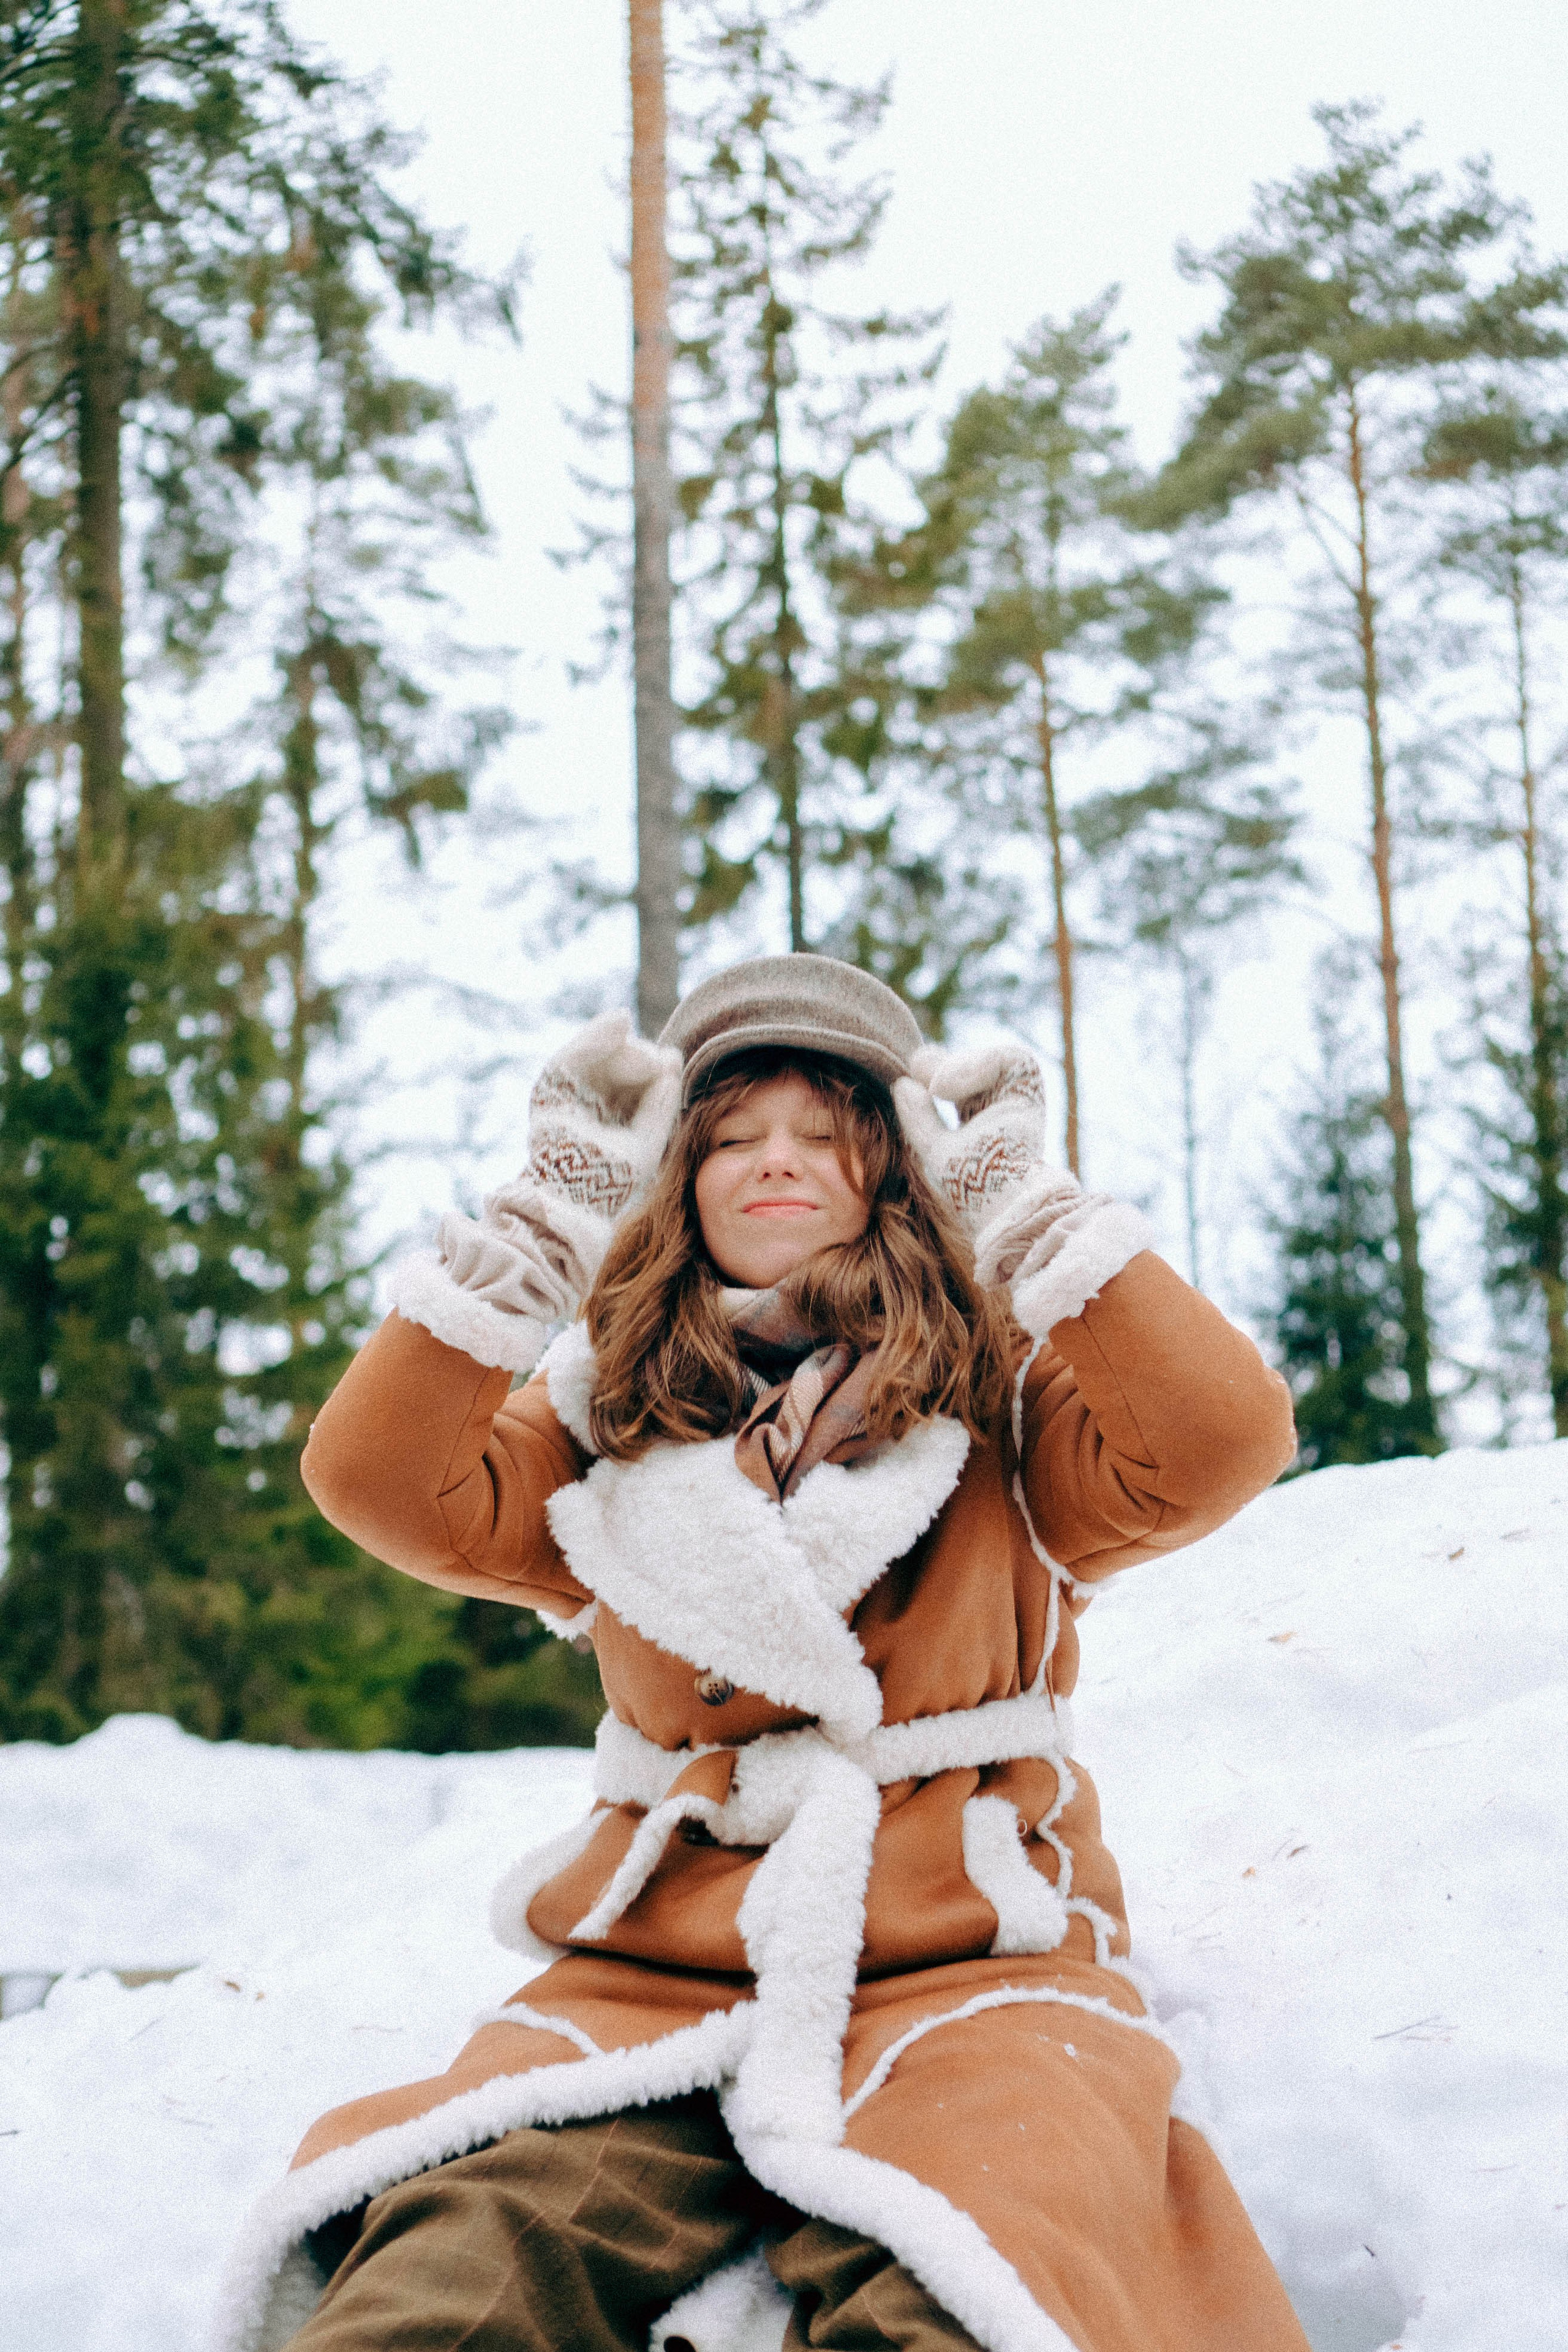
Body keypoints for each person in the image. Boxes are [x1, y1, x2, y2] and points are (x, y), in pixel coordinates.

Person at [216, 954, 1308, 2352]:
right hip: (656, 1971)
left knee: (977, 2280)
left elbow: (1223, 1443)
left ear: (896, 1169)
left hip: (970, 1960)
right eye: (730, 1136)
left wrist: (1027, 1213)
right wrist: (541, 1236)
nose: (774, 1161)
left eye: (823, 1134)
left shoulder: (1008, 1398)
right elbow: (377, 1482)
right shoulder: (603, 1414)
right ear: (675, 1179)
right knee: (451, 2269)